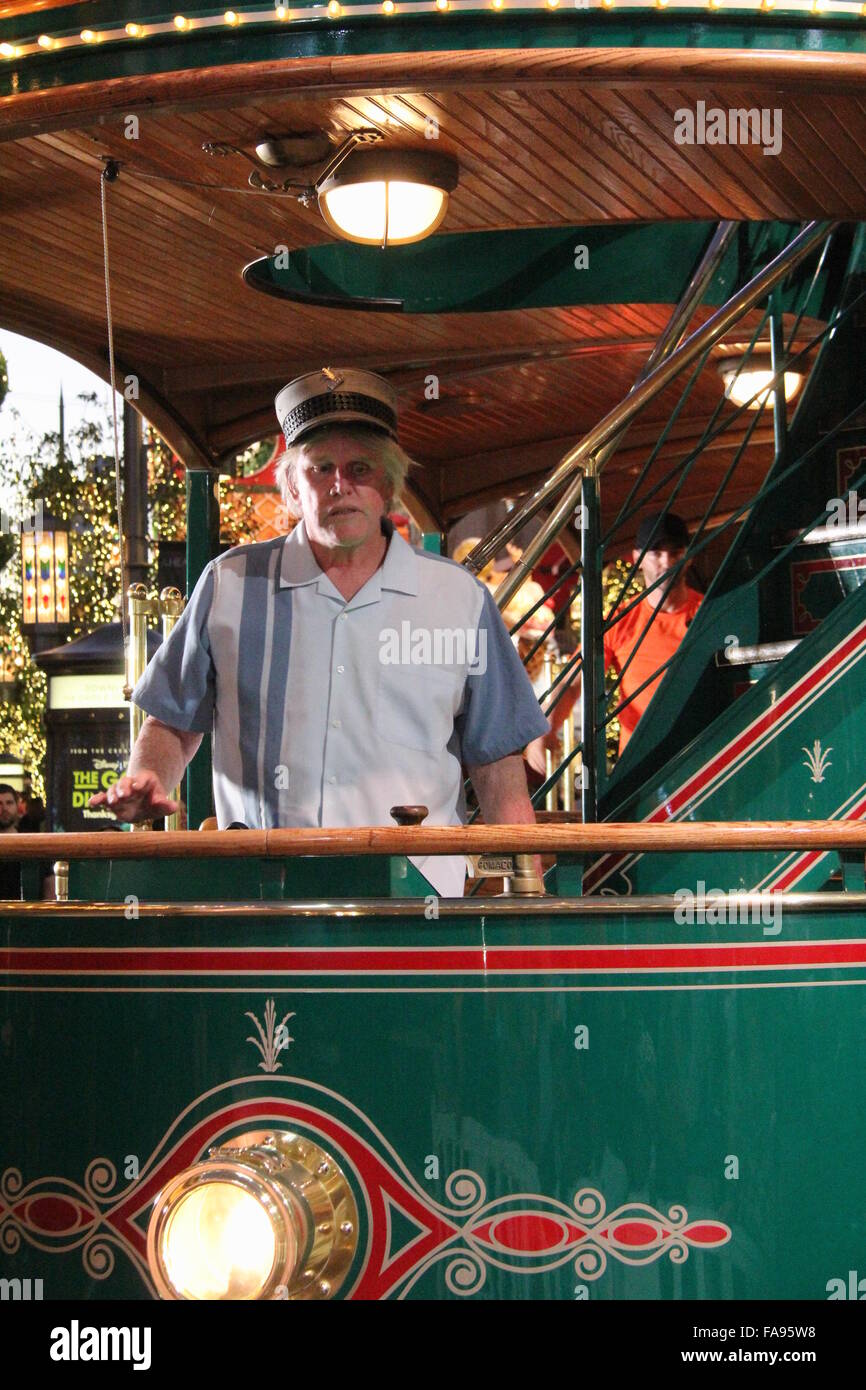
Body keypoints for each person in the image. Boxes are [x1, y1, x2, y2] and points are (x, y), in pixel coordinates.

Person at [89, 367, 549, 896]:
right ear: (290, 486)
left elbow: (497, 765)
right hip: (266, 905)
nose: (340, 485)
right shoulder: (231, 584)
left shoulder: (459, 598)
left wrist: (527, 895)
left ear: (389, 483)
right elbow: (171, 723)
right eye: (320, 468)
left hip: (419, 914)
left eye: (360, 468)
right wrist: (149, 775)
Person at [525, 510, 702, 773]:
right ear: (637, 559)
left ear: (688, 557)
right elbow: (571, 683)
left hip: (702, 756)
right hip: (642, 768)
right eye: (655, 552)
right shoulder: (619, 621)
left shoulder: (708, 612)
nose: (666, 562)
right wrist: (544, 730)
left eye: (675, 552)